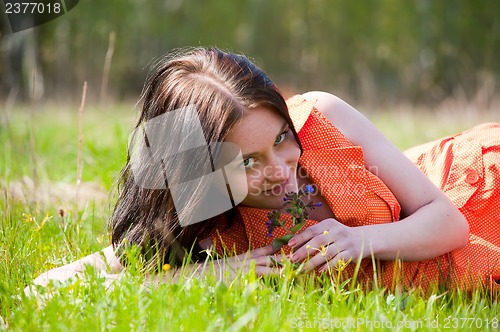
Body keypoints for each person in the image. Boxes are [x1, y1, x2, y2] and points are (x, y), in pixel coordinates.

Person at [29, 47, 500, 292]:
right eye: (248, 162)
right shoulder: (215, 226)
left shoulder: (322, 119)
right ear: (200, 174)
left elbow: (449, 221)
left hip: (477, 193)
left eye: (279, 139)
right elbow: (49, 287)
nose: (279, 172)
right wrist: (219, 273)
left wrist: (362, 240)